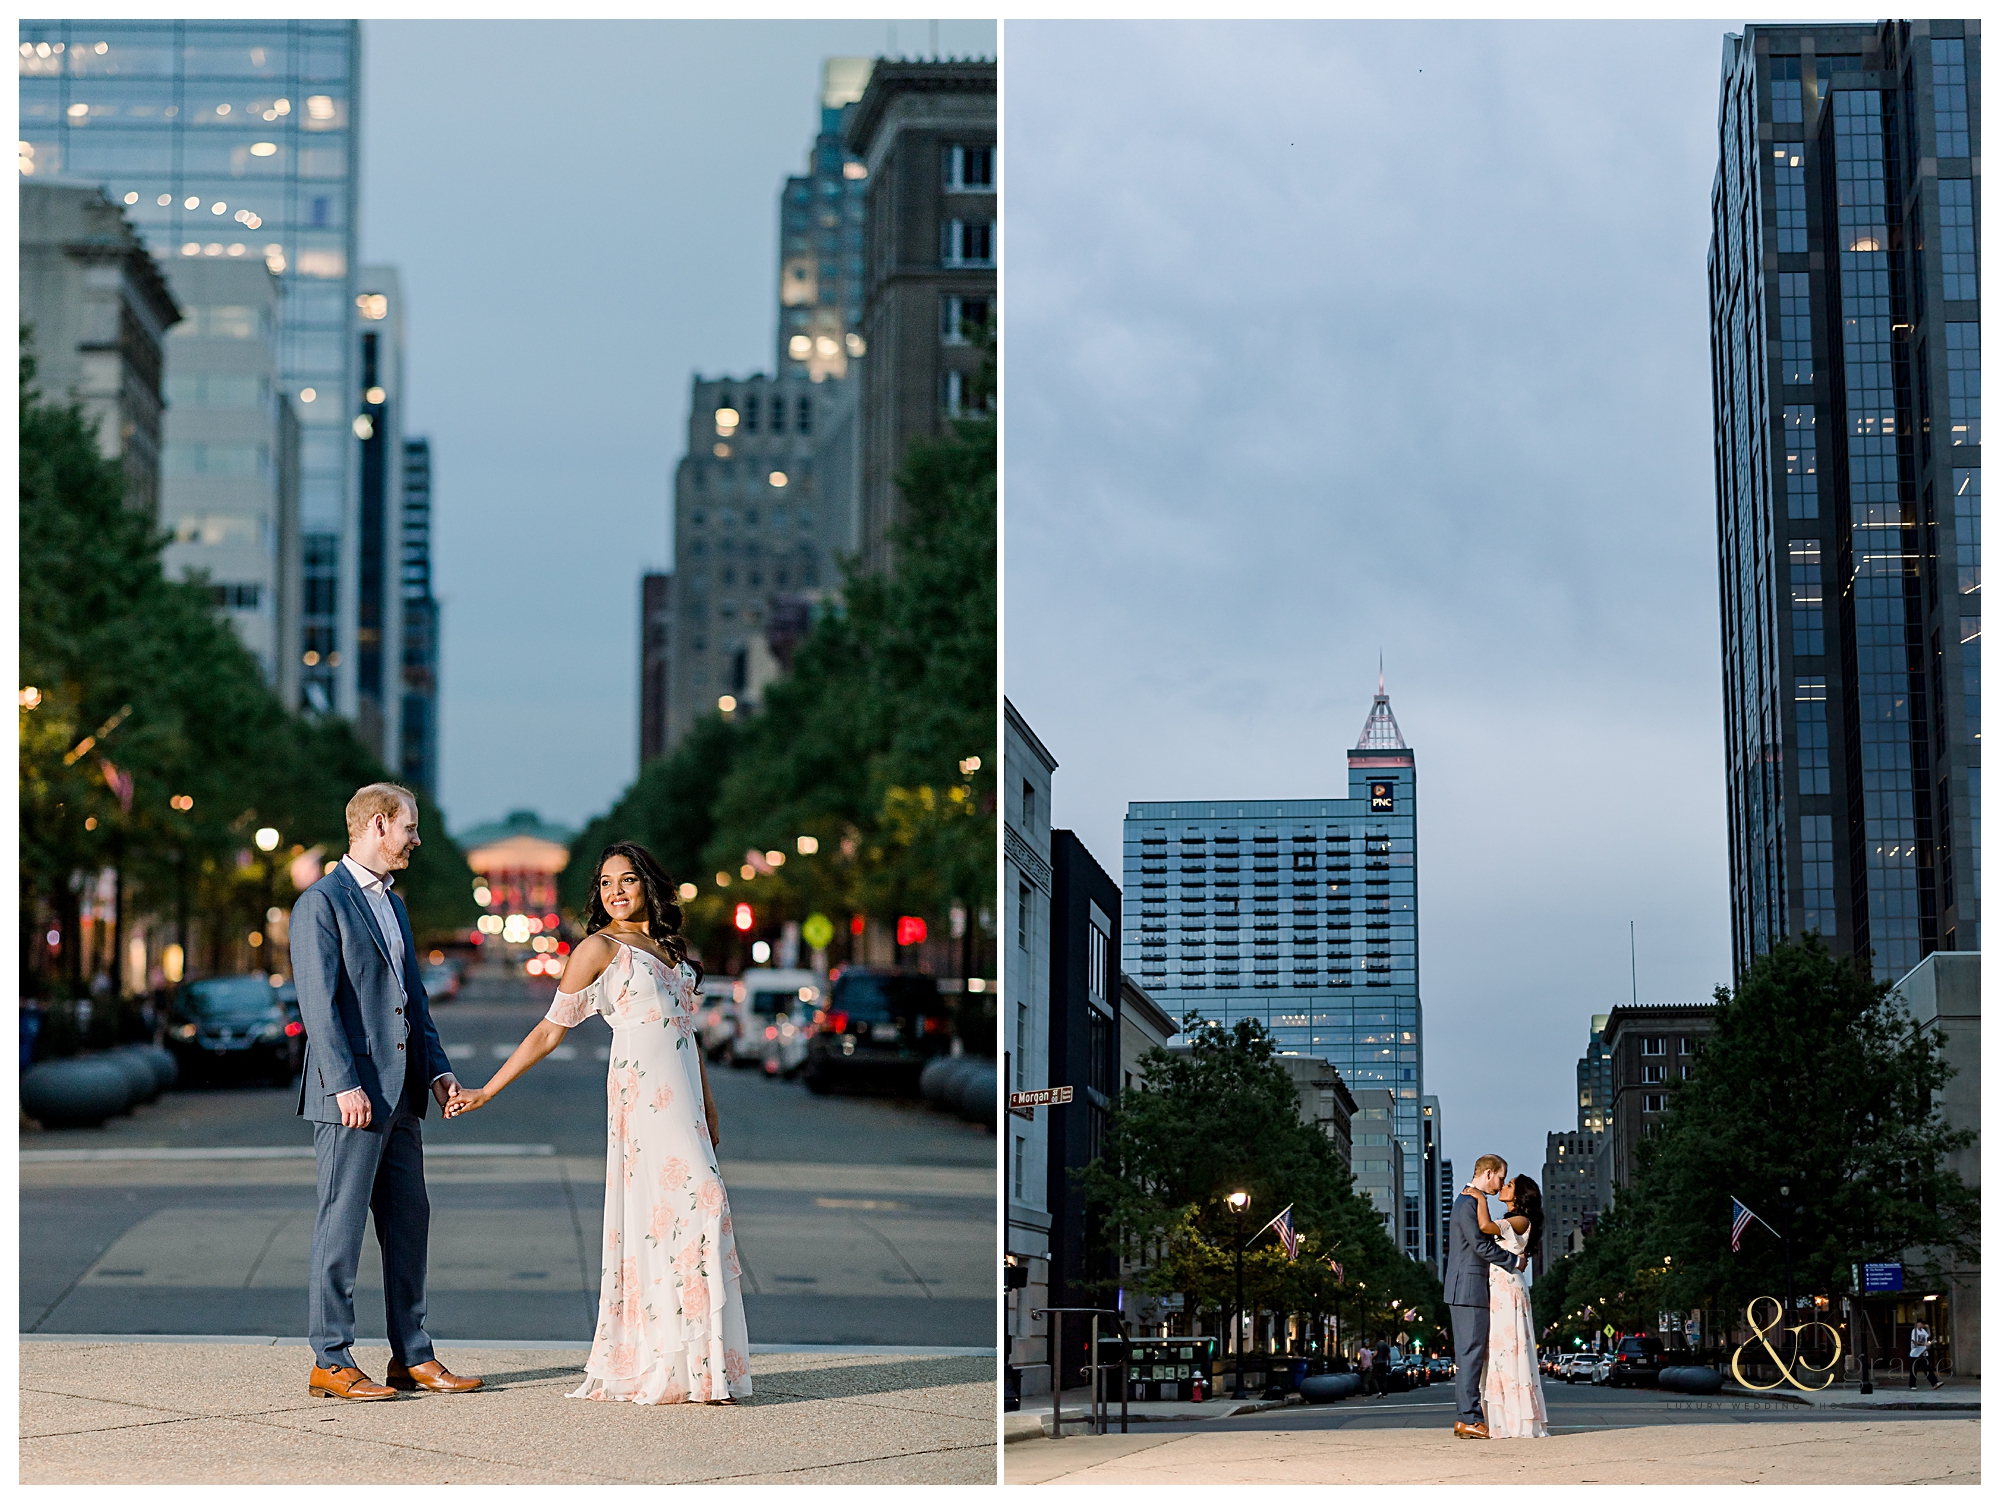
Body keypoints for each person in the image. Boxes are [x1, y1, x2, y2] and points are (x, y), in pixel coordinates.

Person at [450, 842, 751, 1404]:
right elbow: (549, 1031)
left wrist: (710, 1105)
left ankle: (699, 1369)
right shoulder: (598, 950)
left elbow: (690, 1036)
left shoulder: (667, 949)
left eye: (628, 880)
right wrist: (487, 1090)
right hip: (643, 1104)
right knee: (695, 1205)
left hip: (684, 1103)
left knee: (691, 1216)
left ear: (649, 887)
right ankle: (656, 1361)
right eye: (607, 882)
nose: (616, 891)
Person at [292, 783, 480, 1400]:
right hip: (351, 1100)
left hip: (402, 1097)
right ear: (378, 824)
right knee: (339, 1228)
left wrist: (437, 1070)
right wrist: (344, 1081)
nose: (416, 840)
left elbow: (412, 1003)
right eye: (410, 828)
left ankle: (413, 1356)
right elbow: (319, 1008)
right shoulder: (321, 902)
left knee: (409, 1226)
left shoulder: (394, 907)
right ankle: (330, 1359)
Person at [1445, 1154, 1526, 1439]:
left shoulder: (1470, 1202)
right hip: (1467, 1289)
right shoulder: (1468, 1203)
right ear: (1489, 1173)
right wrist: (1513, 1261)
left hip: (1468, 1289)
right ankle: (1468, 1418)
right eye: (1502, 1178)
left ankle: (1469, 1418)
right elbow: (1480, 1246)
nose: (1502, 1183)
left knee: (1472, 1355)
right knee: (1470, 1355)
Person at [1469, 1174, 1550, 1438]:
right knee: (1498, 1353)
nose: (1504, 1187)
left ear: (1519, 1195)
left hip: (1507, 1289)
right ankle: (1501, 1420)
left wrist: (1479, 1195)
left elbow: (1485, 1226)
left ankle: (1515, 1421)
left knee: (1508, 1350)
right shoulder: (1514, 1219)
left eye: (1510, 1184)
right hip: (1498, 1287)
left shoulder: (1520, 1219)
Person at [1909, 1319, 1940, 1389]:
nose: (1922, 1325)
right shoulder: (1914, 1331)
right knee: (1914, 1370)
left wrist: (1928, 1328)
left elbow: (1928, 1335)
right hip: (1915, 1354)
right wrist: (1924, 1344)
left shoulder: (1923, 1331)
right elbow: (1915, 1342)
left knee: (1928, 1369)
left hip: (1924, 1353)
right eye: (1921, 1324)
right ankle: (1912, 1384)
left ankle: (1934, 1383)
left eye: (1923, 1324)